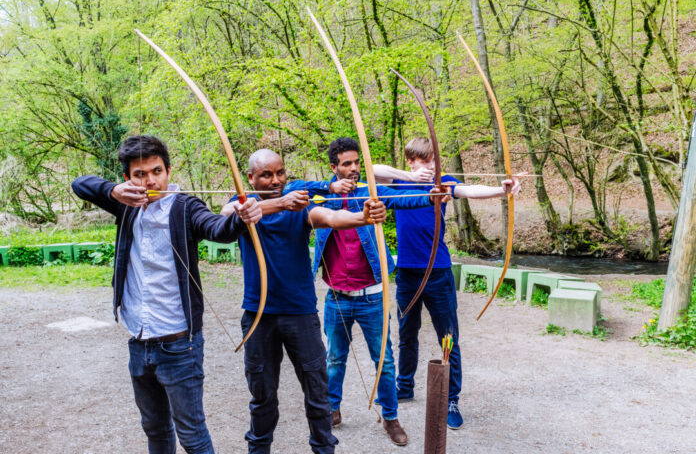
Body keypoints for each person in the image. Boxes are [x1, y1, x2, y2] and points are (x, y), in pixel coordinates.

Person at [71, 135, 261, 453]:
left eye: (156, 171)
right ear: (127, 179)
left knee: (191, 433)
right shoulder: (126, 204)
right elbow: (80, 184)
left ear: (168, 170)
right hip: (139, 339)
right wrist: (113, 191)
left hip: (178, 345)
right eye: (140, 174)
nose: (150, 180)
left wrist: (241, 219)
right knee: (155, 430)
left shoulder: (185, 206)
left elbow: (216, 228)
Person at [220, 148, 388, 454]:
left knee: (317, 393)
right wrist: (279, 202)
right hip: (259, 318)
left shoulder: (300, 207)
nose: (275, 180)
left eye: (280, 173)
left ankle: (324, 449)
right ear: (250, 178)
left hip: (300, 316)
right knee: (262, 397)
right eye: (266, 175)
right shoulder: (241, 206)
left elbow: (334, 217)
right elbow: (225, 216)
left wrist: (364, 216)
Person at [372, 136, 521, 430]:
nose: (430, 166)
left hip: (438, 272)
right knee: (406, 332)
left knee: (448, 337)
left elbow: (468, 190)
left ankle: (451, 399)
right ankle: (405, 386)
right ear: (411, 161)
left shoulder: (443, 184)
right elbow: (371, 170)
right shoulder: (400, 184)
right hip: (407, 273)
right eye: (424, 161)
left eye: (433, 161)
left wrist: (500, 191)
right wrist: (409, 176)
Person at [308, 137, 448, 447]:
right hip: (337, 297)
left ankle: (391, 417)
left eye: (357, 162)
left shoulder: (372, 193)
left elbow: (408, 198)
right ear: (334, 168)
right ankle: (332, 409)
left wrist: (432, 195)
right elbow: (291, 191)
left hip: (372, 295)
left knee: (384, 362)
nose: (355, 168)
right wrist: (328, 188)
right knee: (334, 359)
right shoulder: (321, 199)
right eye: (347, 164)